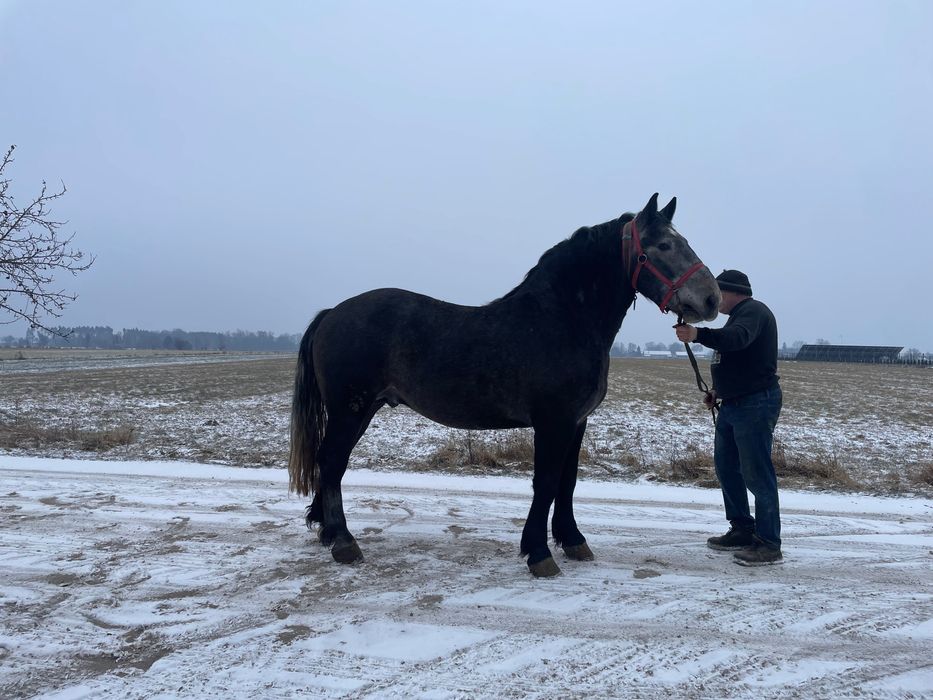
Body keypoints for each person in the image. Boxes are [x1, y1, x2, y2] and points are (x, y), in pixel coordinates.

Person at [674, 269, 783, 566]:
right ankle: (742, 528)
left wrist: (699, 335)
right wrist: (718, 391)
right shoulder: (739, 315)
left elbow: (736, 340)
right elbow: (736, 357)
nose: (716, 299)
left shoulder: (753, 312)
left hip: (755, 403)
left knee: (757, 473)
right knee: (727, 467)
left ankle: (769, 543)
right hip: (734, 403)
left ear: (734, 292)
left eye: (720, 293)